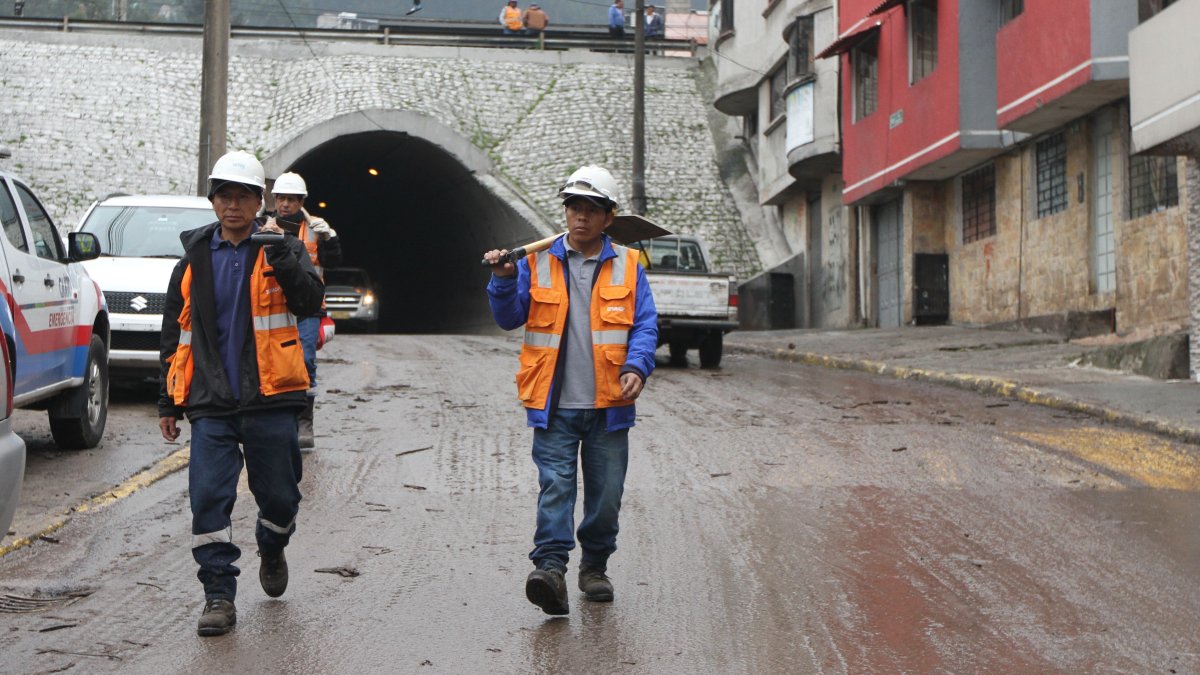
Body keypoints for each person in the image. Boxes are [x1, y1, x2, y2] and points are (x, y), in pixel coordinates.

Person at [158, 150, 325, 637]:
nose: (233, 206)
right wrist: (168, 401)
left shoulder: (282, 246)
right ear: (213, 201)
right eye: (224, 196)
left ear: (259, 203)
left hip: (271, 398)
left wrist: (282, 255)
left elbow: (310, 302)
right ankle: (218, 594)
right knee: (208, 499)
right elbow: (174, 335)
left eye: (243, 197)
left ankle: (272, 545)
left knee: (280, 500)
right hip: (210, 401)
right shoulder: (193, 260)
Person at [483, 165, 658, 616]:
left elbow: (645, 325)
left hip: (609, 405)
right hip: (554, 403)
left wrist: (637, 366)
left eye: (591, 210)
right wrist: (502, 280)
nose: (580, 217)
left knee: (606, 496)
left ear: (608, 217)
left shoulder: (629, 265)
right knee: (556, 487)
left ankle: (594, 567)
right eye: (574, 207)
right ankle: (551, 570)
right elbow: (509, 318)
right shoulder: (536, 261)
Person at [267, 172, 342, 450]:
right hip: (274, 306)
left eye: (292, 199)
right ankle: (276, 419)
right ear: (275, 200)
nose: (286, 204)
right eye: (281, 199)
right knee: (272, 361)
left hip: (309, 306)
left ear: (301, 202)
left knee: (306, 360)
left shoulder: (315, 229)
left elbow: (332, 262)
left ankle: (304, 421)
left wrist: (330, 238)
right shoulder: (265, 226)